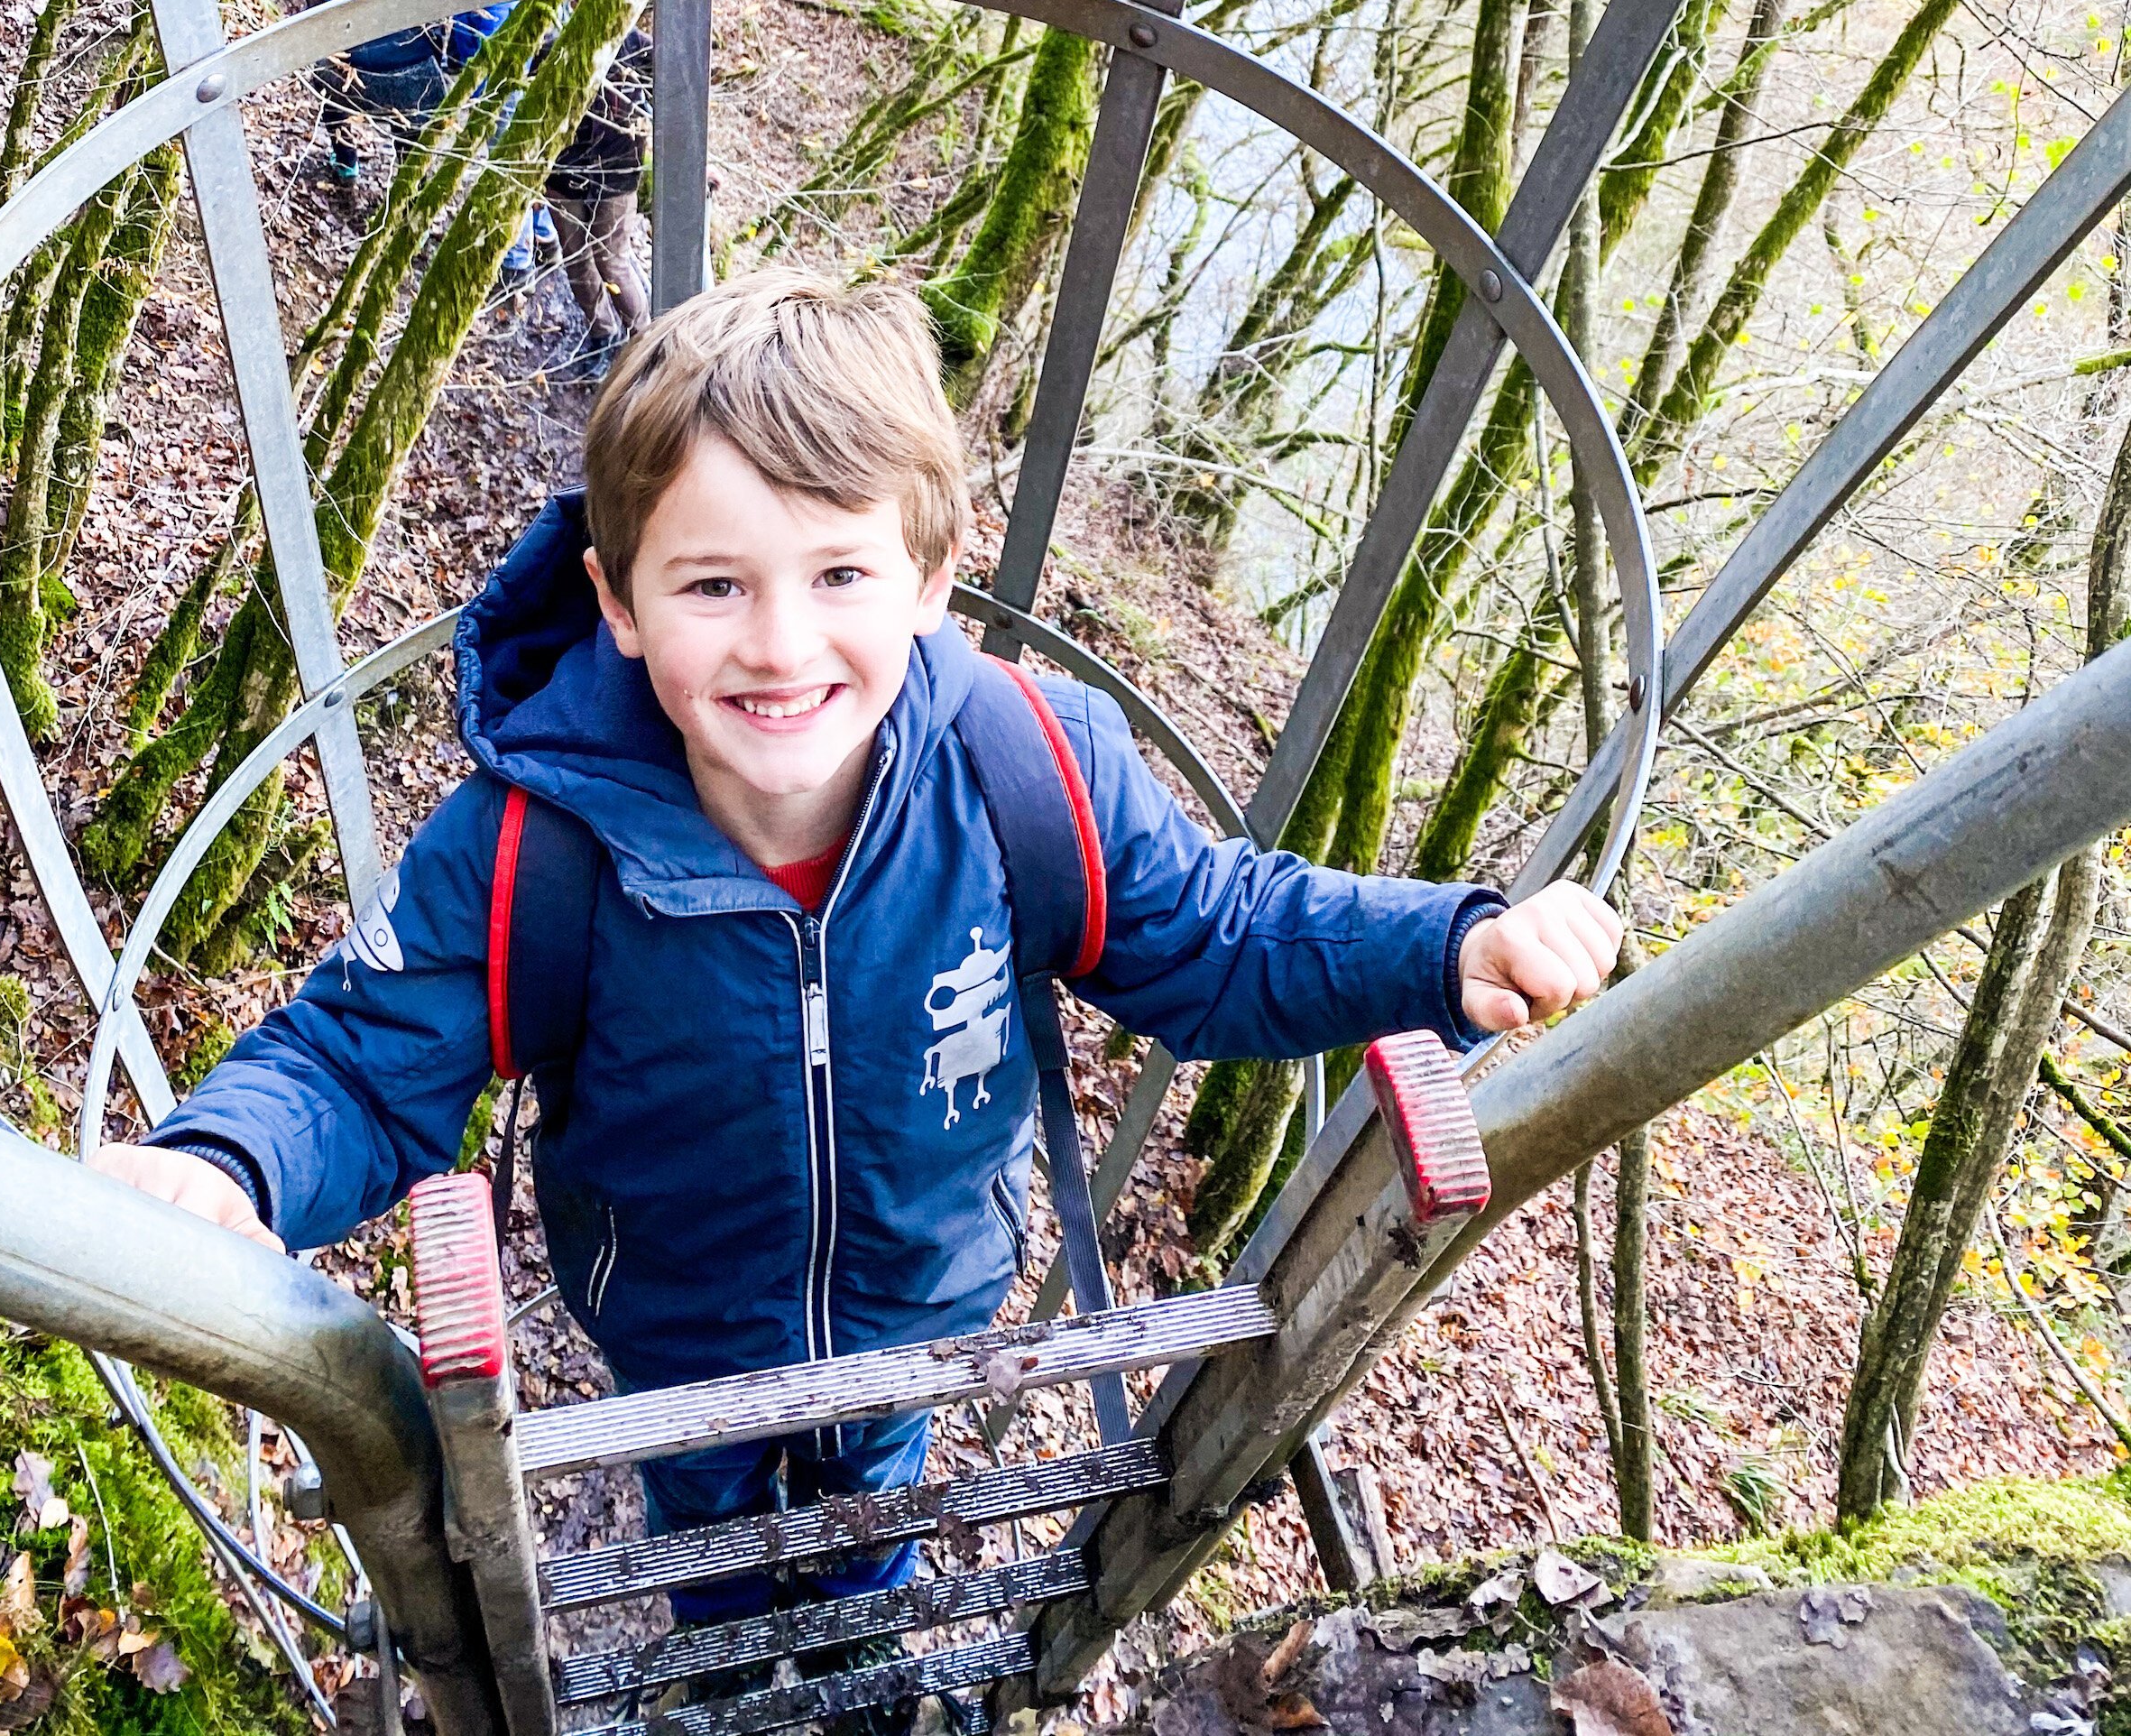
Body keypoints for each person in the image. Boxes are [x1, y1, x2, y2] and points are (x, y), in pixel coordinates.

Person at [91, 271, 1621, 1704]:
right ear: (618, 601)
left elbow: (1216, 932)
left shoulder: (1030, 768)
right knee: (702, 1515)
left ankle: (856, 1656)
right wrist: (229, 1161)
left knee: (872, 1488)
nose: (780, 643)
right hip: (678, 1326)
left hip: (921, 1301)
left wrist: (1447, 944)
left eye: (838, 572)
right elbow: (366, 1057)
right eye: (712, 584)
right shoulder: (538, 844)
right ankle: (722, 1669)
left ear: (931, 578)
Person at [442, 0, 555, 279]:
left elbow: (499, 26)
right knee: (519, 152)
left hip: (508, 72)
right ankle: (542, 234)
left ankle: (515, 261)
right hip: (514, 66)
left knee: (505, 157)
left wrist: (481, 79)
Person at [302, 0, 442, 206]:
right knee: (409, 124)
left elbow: (316, 7)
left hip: (358, 71)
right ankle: (412, 191)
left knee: (326, 76)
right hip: (412, 66)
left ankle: (347, 164)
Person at [547, 27, 651, 373]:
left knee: (613, 261)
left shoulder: (640, 47)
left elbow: (679, 99)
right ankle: (601, 333)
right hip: (565, 169)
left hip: (619, 168)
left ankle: (645, 345)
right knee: (576, 258)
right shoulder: (557, 46)